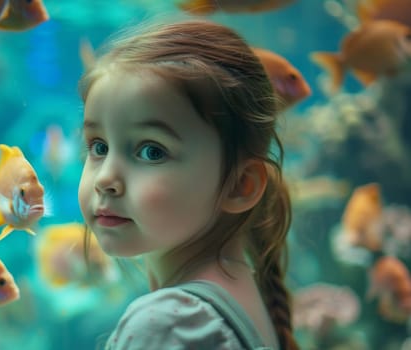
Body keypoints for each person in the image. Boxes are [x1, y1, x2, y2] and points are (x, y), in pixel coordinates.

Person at [77, 18, 299, 350]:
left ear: (241, 186)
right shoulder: (246, 294)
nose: (106, 178)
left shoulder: (169, 323)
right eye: (99, 147)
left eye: (151, 151)